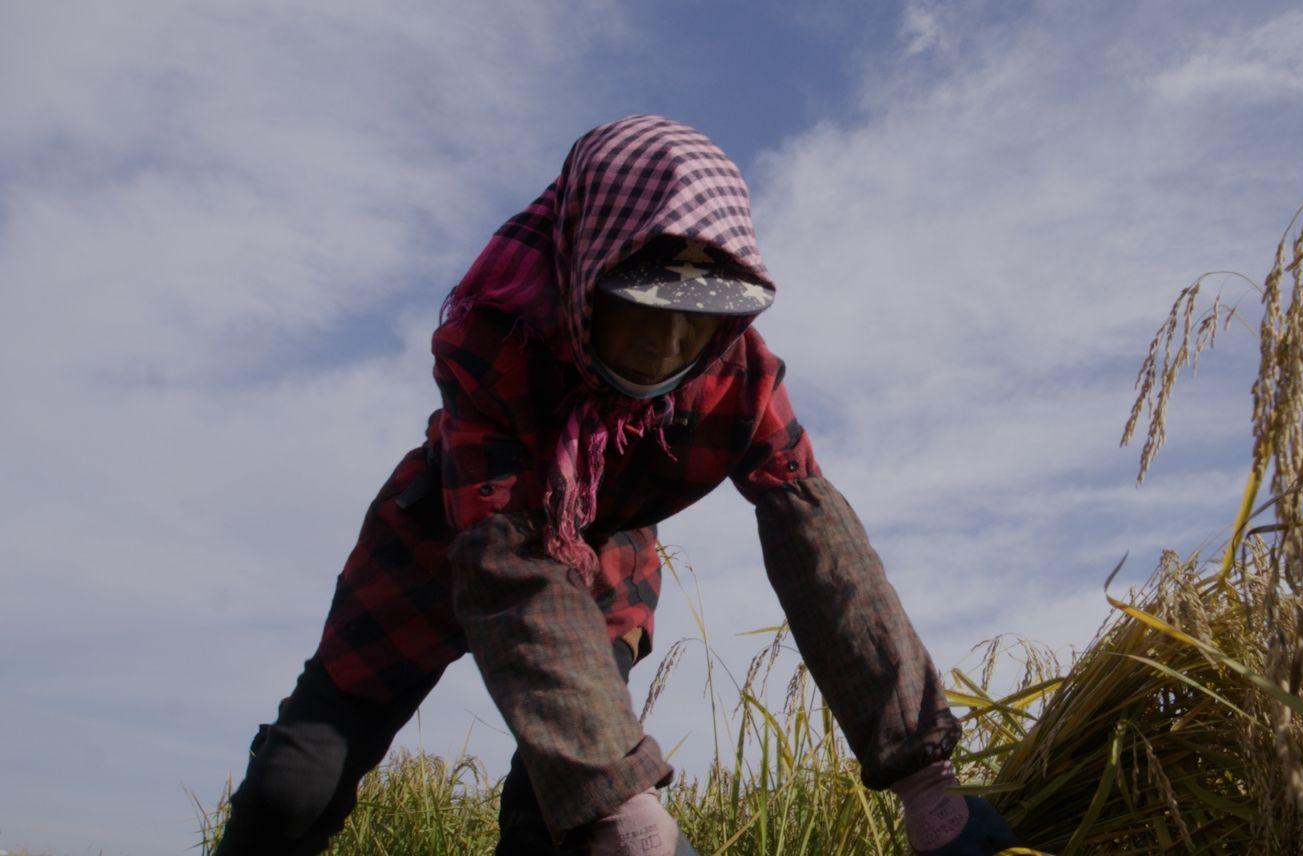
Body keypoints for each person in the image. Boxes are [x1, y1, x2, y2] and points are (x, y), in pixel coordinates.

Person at [213, 115, 1021, 856]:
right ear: (586, 273)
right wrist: (622, 803)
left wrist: (926, 781)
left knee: (552, 810)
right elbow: (515, 573)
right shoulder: (497, 342)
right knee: (297, 785)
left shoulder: (736, 372)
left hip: (603, 555)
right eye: (642, 311)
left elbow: (825, 558)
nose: (668, 346)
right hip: (447, 536)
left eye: (694, 319)